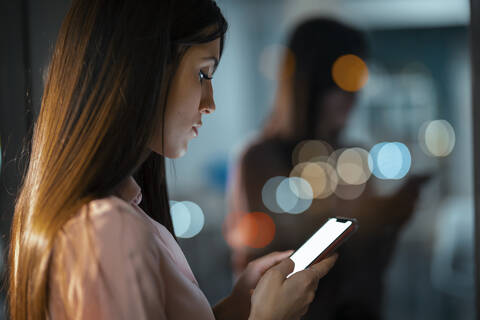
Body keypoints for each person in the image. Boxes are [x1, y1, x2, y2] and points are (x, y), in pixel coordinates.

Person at [6, 1, 338, 319]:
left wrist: (236, 307)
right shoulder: (108, 229)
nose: (210, 104)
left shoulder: (113, 217)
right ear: (143, 66)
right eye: (202, 74)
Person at [225, 18, 427, 319]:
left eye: (359, 78)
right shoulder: (259, 160)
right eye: (344, 77)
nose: (354, 95)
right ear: (313, 77)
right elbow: (259, 268)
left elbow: (365, 264)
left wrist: (388, 219)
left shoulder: (354, 156)